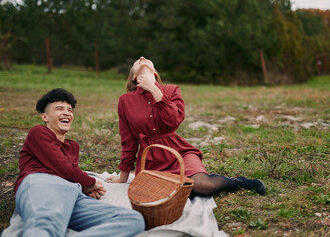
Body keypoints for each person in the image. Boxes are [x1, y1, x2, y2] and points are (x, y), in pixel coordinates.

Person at [107, 57, 265, 196]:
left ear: (155, 73)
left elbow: (174, 120)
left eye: (146, 59)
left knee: (203, 185)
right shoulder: (125, 101)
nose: (142, 58)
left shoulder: (172, 90)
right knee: (163, 192)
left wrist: (154, 90)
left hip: (179, 152)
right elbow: (128, 141)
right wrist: (123, 176)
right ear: (134, 77)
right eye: (137, 61)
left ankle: (239, 183)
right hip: (150, 161)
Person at [14, 88, 145, 237]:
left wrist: (84, 186)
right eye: (59, 109)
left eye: (70, 110)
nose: (67, 113)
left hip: (71, 193)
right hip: (43, 183)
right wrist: (89, 182)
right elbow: (64, 168)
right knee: (44, 228)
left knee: (132, 220)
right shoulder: (39, 133)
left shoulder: (72, 146)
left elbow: (70, 174)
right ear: (45, 117)